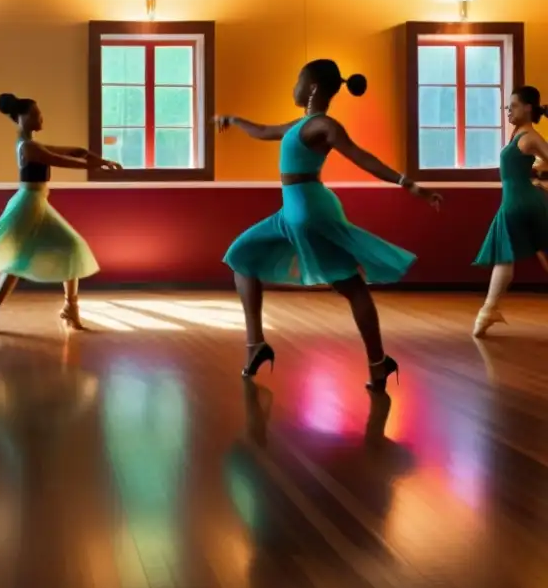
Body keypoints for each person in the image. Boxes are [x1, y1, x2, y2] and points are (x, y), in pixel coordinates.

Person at [216, 60, 442, 390]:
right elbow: (265, 131)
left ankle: (378, 363)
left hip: (308, 211)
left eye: (297, 80)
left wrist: (408, 183)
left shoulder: (324, 125)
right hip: (291, 211)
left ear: (312, 88)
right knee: (242, 256)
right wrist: (234, 120)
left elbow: (361, 157)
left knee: (349, 284)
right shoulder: (302, 124)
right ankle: (256, 346)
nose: (293, 87)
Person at [0, 93, 120, 332]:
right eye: (34, 114)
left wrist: (99, 159)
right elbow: (64, 161)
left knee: (69, 248)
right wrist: (98, 165)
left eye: (39, 113)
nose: (40, 117)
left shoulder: (33, 144)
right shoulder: (29, 147)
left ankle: (69, 308)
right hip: (27, 205)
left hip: (37, 203)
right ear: (20, 118)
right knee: (16, 263)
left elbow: (77, 151)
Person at [472, 85, 548, 336]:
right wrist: (538, 173)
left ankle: (488, 311)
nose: (508, 110)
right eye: (507, 106)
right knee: (519, 253)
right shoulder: (521, 135)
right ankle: (487, 312)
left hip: (519, 202)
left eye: (513, 106)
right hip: (522, 200)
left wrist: (540, 177)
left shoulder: (530, 136)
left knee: (506, 256)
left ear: (528, 108)